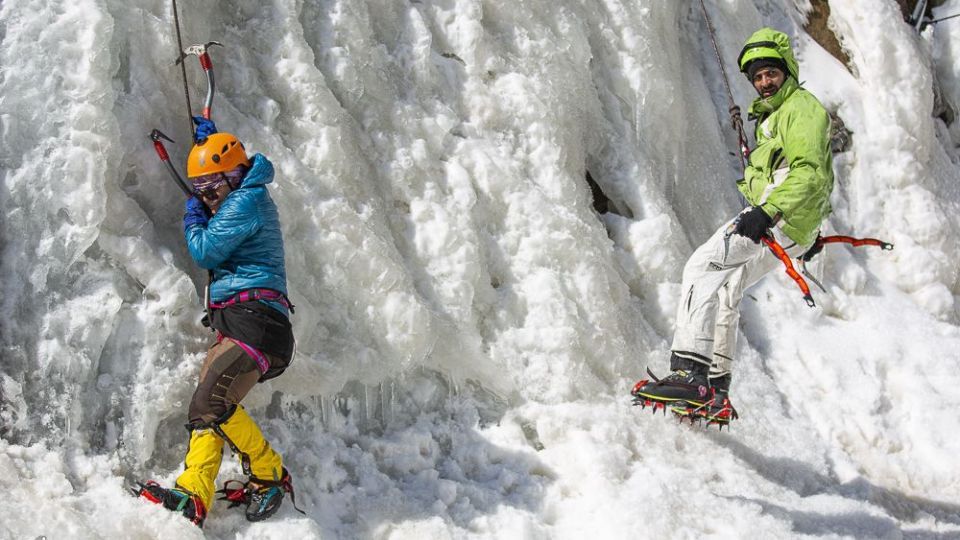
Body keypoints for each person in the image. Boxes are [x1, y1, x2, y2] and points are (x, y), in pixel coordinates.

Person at [633, 28, 834, 424]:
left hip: (779, 216)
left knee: (702, 266)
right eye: (758, 77)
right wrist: (805, 231)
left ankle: (689, 373)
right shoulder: (776, 116)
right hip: (793, 223)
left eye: (771, 73)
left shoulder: (801, 109)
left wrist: (768, 212)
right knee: (727, 288)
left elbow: (811, 172)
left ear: (787, 71)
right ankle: (716, 389)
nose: (765, 82)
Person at [136, 117, 298, 526]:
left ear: (234, 176)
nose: (205, 196)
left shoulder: (247, 200)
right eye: (199, 189)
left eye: (211, 188)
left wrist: (193, 217)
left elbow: (205, 250)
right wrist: (208, 151)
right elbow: (223, 178)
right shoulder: (238, 194)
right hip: (243, 322)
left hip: (256, 322)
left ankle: (270, 475)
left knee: (211, 403)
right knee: (206, 410)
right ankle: (194, 494)